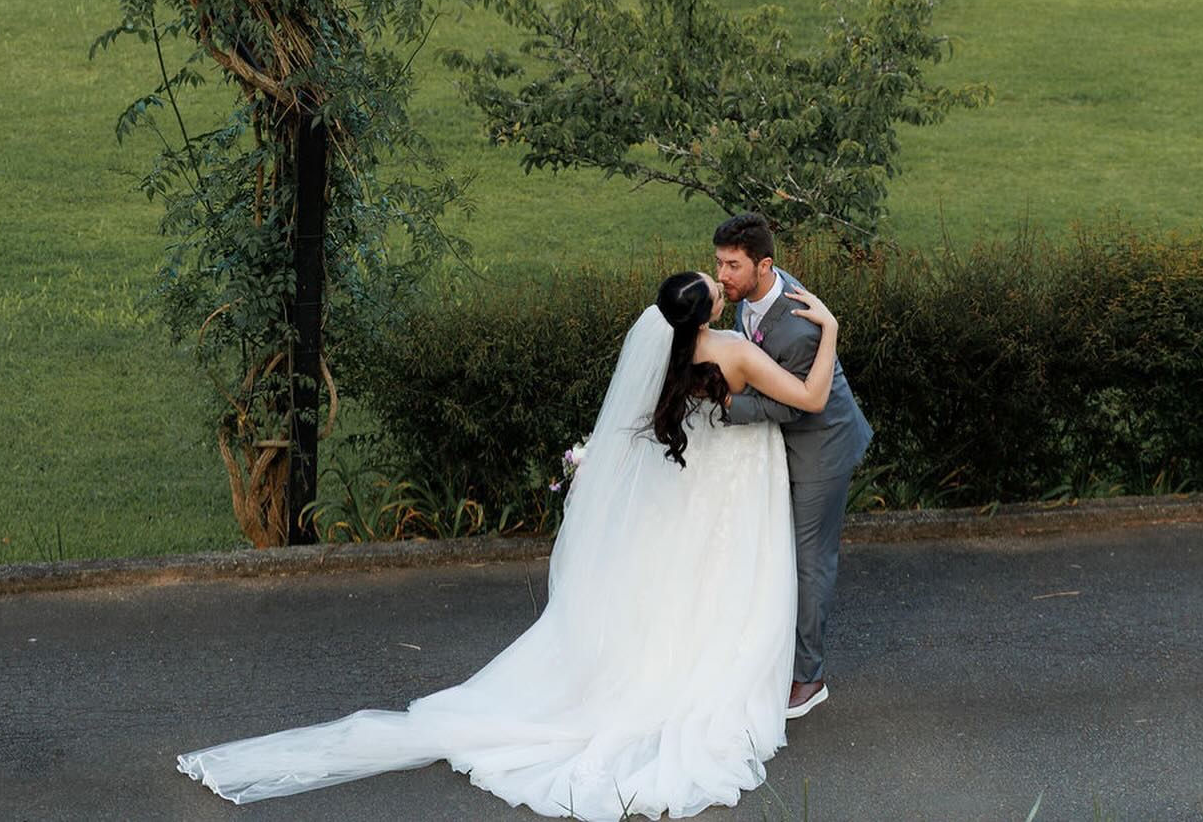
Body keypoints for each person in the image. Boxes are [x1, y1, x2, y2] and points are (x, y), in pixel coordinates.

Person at [177, 267, 840, 818]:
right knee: (725, 577)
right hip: (732, 481)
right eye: (713, 283)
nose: (720, 283)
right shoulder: (732, 351)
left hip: (692, 483)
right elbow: (810, 398)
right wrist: (829, 328)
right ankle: (722, 668)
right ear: (707, 309)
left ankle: (672, 661)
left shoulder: (663, 349)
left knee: (683, 579)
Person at [715, 211, 875, 721]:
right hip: (786, 441)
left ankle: (809, 677)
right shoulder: (751, 299)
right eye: (718, 263)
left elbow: (795, 404)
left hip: (820, 447)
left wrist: (728, 409)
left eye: (732, 266)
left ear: (765, 266)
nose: (722, 276)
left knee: (811, 562)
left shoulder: (802, 329)